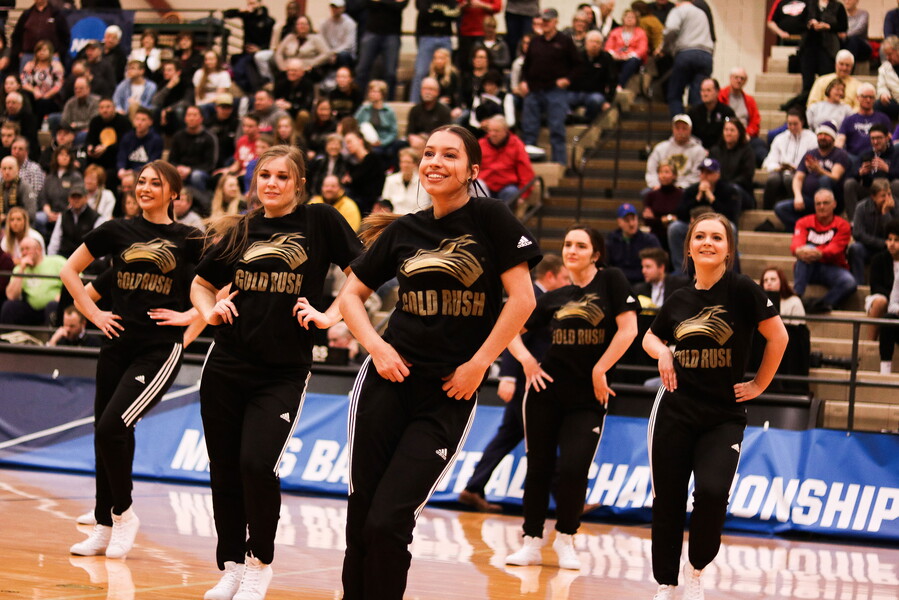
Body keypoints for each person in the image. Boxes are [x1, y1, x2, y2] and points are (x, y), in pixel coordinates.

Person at [338, 124, 541, 599]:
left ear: (472, 171)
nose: (434, 162)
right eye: (429, 153)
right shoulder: (405, 228)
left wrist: (479, 364)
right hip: (387, 380)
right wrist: (376, 346)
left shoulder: (491, 218)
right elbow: (350, 297)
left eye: (449, 155)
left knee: (390, 518)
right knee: (362, 508)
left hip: (450, 392)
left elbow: (523, 300)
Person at [191, 145, 361, 600]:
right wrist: (210, 311)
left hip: (282, 372)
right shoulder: (241, 228)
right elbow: (200, 283)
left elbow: (361, 274)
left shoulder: (320, 221)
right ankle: (229, 564)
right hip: (226, 363)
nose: (271, 183)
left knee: (255, 463)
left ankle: (259, 563)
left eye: (282, 177)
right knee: (224, 468)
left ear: (299, 183)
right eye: (264, 175)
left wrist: (329, 316)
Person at [61, 160, 203, 560]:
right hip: (115, 346)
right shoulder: (116, 231)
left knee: (112, 427)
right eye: (140, 182)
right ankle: (104, 526)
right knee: (104, 436)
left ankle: (124, 516)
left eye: (154, 183)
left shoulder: (189, 238)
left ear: (174, 193)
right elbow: (70, 272)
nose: (144, 188)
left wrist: (192, 316)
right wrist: (95, 315)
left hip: (158, 350)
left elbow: (225, 285)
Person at [643, 212, 787, 600]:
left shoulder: (742, 289)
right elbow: (650, 338)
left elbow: (779, 337)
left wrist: (759, 383)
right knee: (667, 498)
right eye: (700, 236)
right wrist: (663, 353)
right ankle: (666, 583)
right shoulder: (677, 297)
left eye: (717, 238)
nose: (708, 242)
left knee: (711, 492)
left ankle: (696, 571)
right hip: (673, 410)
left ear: (728, 249)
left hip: (723, 415)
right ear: (688, 247)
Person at [504, 224, 638, 570]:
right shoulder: (552, 298)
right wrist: (527, 361)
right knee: (539, 467)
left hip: (588, 395)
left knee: (575, 467)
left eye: (580, 245)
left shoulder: (611, 282)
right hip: (544, 392)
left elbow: (629, 330)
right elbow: (509, 331)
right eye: (567, 244)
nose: (571, 250)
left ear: (596, 254)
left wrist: (600, 368)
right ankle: (531, 540)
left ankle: (566, 538)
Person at [458, 254, 568, 512]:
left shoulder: (545, 299)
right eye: (563, 277)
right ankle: (567, 502)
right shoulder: (533, 298)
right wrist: (507, 377)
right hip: (525, 383)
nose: (566, 283)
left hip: (531, 382)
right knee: (544, 438)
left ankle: (472, 488)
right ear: (550, 276)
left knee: (506, 438)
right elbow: (509, 335)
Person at [520, 8, 581, 165]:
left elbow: (578, 65)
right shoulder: (535, 41)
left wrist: (568, 79)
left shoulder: (565, 41)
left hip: (555, 90)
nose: (544, 23)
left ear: (555, 22)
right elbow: (526, 66)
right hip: (534, 89)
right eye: (543, 20)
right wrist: (524, 81)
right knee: (529, 129)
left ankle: (559, 164)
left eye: (548, 20)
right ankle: (528, 163)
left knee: (557, 128)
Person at [774, 121, 850, 231]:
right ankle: (807, 230)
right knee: (780, 208)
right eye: (820, 134)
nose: (822, 137)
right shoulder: (811, 153)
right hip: (810, 200)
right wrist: (798, 196)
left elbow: (835, 176)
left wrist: (818, 169)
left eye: (826, 135)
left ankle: (825, 222)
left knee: (825, 179)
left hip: (831, 201)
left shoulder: (840, 154)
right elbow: (798, 178)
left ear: (833, 138)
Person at [668, 158, 740, 275]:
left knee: (731, 227)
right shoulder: (692, 190)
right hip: (693, 226)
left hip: (717, 228)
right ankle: (681, 269)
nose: (705, 176)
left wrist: (711, 198)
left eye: (709, 173)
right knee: (675, 228)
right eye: (702, 172)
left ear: (717, 175)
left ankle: (728, 269)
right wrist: (698, 197)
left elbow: (730, 215)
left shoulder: (728, 190)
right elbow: (680, 213)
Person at [791, 188, 856, 313]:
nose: (821, 207)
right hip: (807, 267)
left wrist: (817, 252)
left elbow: (835, 249)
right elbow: (796, 244)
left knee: (849, 283)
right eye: (818, 203)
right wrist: (799, 251)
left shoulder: (843, 225)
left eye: (825, 203)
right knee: (806, 251)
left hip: (833, 268)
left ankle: (822, 304)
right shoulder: (803, 222)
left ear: (834, 204)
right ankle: (797, 297)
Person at [662, 0, 714, 117]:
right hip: (706, 55)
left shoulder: (678, 10)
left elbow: (671, 29)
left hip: (686, 53)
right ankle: (696, 129)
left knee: (674, 95)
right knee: (698, 97)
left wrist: (665, 47)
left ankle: (681, 128)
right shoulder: (701, 13)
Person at [1, 235, 65, 325]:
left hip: (54, 306)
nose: (24, 252)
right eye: (21, 250)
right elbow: (11, 296)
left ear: (39, 250)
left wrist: (63, 297)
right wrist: (22, 269)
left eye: (27, 249)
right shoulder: (19, 269)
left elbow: (78, 279)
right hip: (31, 309)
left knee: (53, 306)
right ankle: (5, 338)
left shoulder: (57, 262)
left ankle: (53, 338)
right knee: (9, 307)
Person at [762, 108, 817, 210]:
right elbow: (769, 160)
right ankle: (767, 210)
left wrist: (798, 168)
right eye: (789, 124)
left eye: (795, 124)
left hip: (801, 173)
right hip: (780, 171)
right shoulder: (780, 138)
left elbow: (812, 162)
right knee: (773, 179)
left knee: (789, 179)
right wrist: (778, 167)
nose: (792, 127)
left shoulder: (812, 138)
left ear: (802, 122)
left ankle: (795, 209)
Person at [354, 0, 408, 99]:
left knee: (391, 73)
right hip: (372, 31)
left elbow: (400, 5)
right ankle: (357, 101)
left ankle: (388, 104)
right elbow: (366, 3)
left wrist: (380, 2)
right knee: (361, 70)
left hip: (392, 34)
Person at [849, 178, 899, 285]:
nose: (887, 199)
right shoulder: (861, 207)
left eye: (889, 194)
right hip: (868, 247)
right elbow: (857, 233)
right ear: (873, 197)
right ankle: (859, 285)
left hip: (890, 248)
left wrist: (885, 214)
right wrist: (881, 243)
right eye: (883, 196)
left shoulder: (896, 206)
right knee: (855, 248)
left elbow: (895, 233)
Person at [409, 0, 458, 106]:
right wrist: (444, 11)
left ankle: (446, 105)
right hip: (427, 36)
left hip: (445, 36)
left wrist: (435, 11)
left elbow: (455, 14)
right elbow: (423, 12)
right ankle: (414, 105)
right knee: (421, 72)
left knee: (448, 72)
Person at [477, 115, 534, 205]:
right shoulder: (481, 144)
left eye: (496, 131)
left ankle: (503, 218)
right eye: (490, 131)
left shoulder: (516, 145)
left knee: (511, 192)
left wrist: (523, 195)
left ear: (505, 131)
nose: (492, 134)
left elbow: (526, 171)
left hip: (507, 186)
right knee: (476, 185)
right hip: (485, 185)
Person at [866, 220, 899, 374]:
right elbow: (875, 287)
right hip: (888, 302)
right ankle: (871, 347)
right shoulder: (879, 259)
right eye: (889, 239)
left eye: (896, 240)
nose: (892, 244)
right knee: (884, 309)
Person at [645, 114, 708, 194]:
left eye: (684, 128)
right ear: (673, 129)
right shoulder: (660, 148)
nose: (680, 131)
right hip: (661, 187)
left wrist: (680, 187)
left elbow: (697, 175)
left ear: (690, 130)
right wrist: (656, 185)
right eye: (677, 128)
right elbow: (651, 171)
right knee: (646, 193)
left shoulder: (698, 150)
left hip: (686, 189)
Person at [717, 67, 766, 166]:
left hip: (744, 135)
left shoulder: (749, 100)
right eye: (736, 77)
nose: (739, 81)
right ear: (730, 78)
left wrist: (746, 134)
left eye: (742, 78)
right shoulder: (720, 96)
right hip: (726, 133)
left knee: (760, 145)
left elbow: (755, 121)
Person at [798, 0, 848, 94]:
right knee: (807, 83)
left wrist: (828, 26)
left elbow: (844, 26)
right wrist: (810, 24)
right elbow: (799, 24)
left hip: (828, 49)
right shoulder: (809, 4)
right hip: (809, 47)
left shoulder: (838, 6)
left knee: (826, 82)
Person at [168, 105, 218, 195]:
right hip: (181, 171)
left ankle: (201, 202)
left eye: (195, 115)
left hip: (201, 173)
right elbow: (171, 160)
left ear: (201, 118)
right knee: (168, 174)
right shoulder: (178, 136)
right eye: (189, 115)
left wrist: (190, 170)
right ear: (185, 118)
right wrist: (178, 168)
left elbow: (210, 165)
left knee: (196, 176)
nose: (191, 118)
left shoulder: (209, 138)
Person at [606, 203, 662, 284]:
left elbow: (660, 262)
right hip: (618, 283)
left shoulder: (649, 240)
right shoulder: (612, 239)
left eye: (634, 219)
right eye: (627, 220)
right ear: (619, 222)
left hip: (643, 283)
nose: (631, 224)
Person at [836, 83, 891, 165]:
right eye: (865, 96)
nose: (868, 100)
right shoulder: (849, 120)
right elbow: (840, 141)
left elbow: (890, 139)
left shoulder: (883, 118)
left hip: (878, 158)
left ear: (875, 99)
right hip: (854, 158)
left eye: (871, 97)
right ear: (858, 98)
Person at [568, 30, 616, 124]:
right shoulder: (577, 56)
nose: (594, 45)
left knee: (596, 100)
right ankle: (569, 118)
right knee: (560, 99)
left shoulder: (606, 58)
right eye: (591, 41)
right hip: (576, 93)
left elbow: (613, 80)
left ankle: (587, 121)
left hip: (595, 94)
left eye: (597, 42)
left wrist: (608, 100)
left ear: (602, 45)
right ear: (586, 43)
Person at [37, 145, 84, 237]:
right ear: (56, 157)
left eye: (67, 155)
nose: (64, 157)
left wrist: (62, 215)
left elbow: (77, 198)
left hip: (69, 213)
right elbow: (43, 198)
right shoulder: (49, 177)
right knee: (38, 218)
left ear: (71, 158)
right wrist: (49, 213)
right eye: (61, 154)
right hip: (50, 213)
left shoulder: (76, 177)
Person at [710, 117, 756, 211]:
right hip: (718, 188)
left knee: (732, 190)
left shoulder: (747, 151)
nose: (728, 133)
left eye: (732, 130)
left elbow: (746, 176)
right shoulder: (716, 151)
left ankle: (732, 223)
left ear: (739, 133)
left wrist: (726, 185)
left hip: (741, 191)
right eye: (726, 130)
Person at [341, 130, 384, 215]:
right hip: (356, 200)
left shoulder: (372, 158)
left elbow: (355, 179)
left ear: (360, 140)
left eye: (350, 142)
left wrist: (351, 179)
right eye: (346, 143)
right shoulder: (350, 162)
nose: (348, 146)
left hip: (370, 201)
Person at [605, 9, 649, 91]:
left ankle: (620, 85)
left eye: (632, 17)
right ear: (623, 18)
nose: (629, 19)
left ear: (636, 20)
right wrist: (614, 54)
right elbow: (608, 47)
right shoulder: (615, 31)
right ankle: (608, 84)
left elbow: (643, 49)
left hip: (632, 59)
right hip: (616, 58)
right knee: (607, 59)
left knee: (633, 61)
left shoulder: (641, 33)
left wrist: (628, 56)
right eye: (627, 17)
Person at [406, 77, 452, 154]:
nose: (427, 92)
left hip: (437, 144)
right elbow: (410, 132)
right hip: (417, 143)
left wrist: (427, 140)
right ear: (421, 91)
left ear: (437, 92)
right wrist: (413, 139)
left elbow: (446, 135)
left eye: (431, 89)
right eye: (425, 89)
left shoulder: (444, 111)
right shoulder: (414, 110)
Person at [687, 79, 736, 151]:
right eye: (702, 90)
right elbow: (689, 135)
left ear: (717, 92)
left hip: (721, 151)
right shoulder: (693, 112)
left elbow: (730, 134)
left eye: (708, 90)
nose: (705, 94)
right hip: (697, 151)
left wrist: (713, 151)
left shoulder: (727, 112)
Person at [643, 161, 684, 249]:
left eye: (667, 172)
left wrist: (671, 219)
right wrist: (662, 220)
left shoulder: (681, 194)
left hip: (676, 235)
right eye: (661, 172)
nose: (663, 175)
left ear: (674, 175)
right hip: (656, 233)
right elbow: (647, 220)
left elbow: (683, 217)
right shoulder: (651, 195)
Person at [116, 108, 163, 181]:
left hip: (146, 173)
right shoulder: (127, 137)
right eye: (137, 119)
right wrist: (121, 169)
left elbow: (153, 162)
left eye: (143, 120)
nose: (139, 123)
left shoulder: (156, 140)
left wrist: (134, 172)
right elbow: (121, 156)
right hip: (126, 173)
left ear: (150, 122)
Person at [381, 148, 430, 215]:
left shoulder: (423, 182)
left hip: (416, 220)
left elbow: (424, 207)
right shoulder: (391, 180)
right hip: (394, 219)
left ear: (415, 164)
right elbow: (385, 204)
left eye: (408, 162)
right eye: (402, 162)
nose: (405, 165)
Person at [876, 36, 899, 121]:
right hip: (896, 103)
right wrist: (883, 94)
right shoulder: (884, 68)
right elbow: (881, 86)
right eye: (886, 55)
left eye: (889, 54)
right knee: (879, 104)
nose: (887, 58)